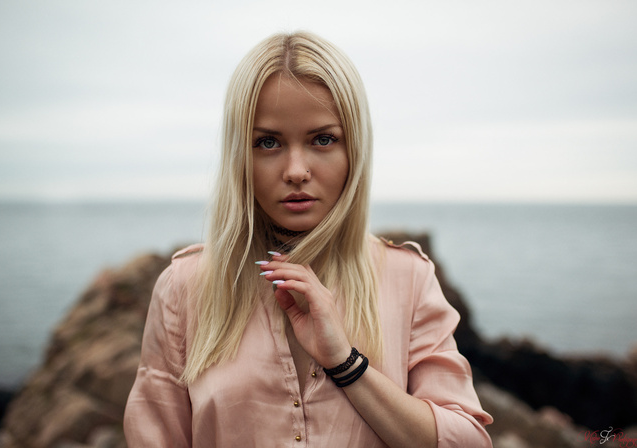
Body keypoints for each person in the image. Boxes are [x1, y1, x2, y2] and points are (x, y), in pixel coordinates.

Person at [123, 31, 493, 447]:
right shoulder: (185, 285)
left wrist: (345, 362)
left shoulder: (408, 278)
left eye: (322, 139)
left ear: (354, 148)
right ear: (239, 155)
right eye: (267, 142)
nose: (296, 170)